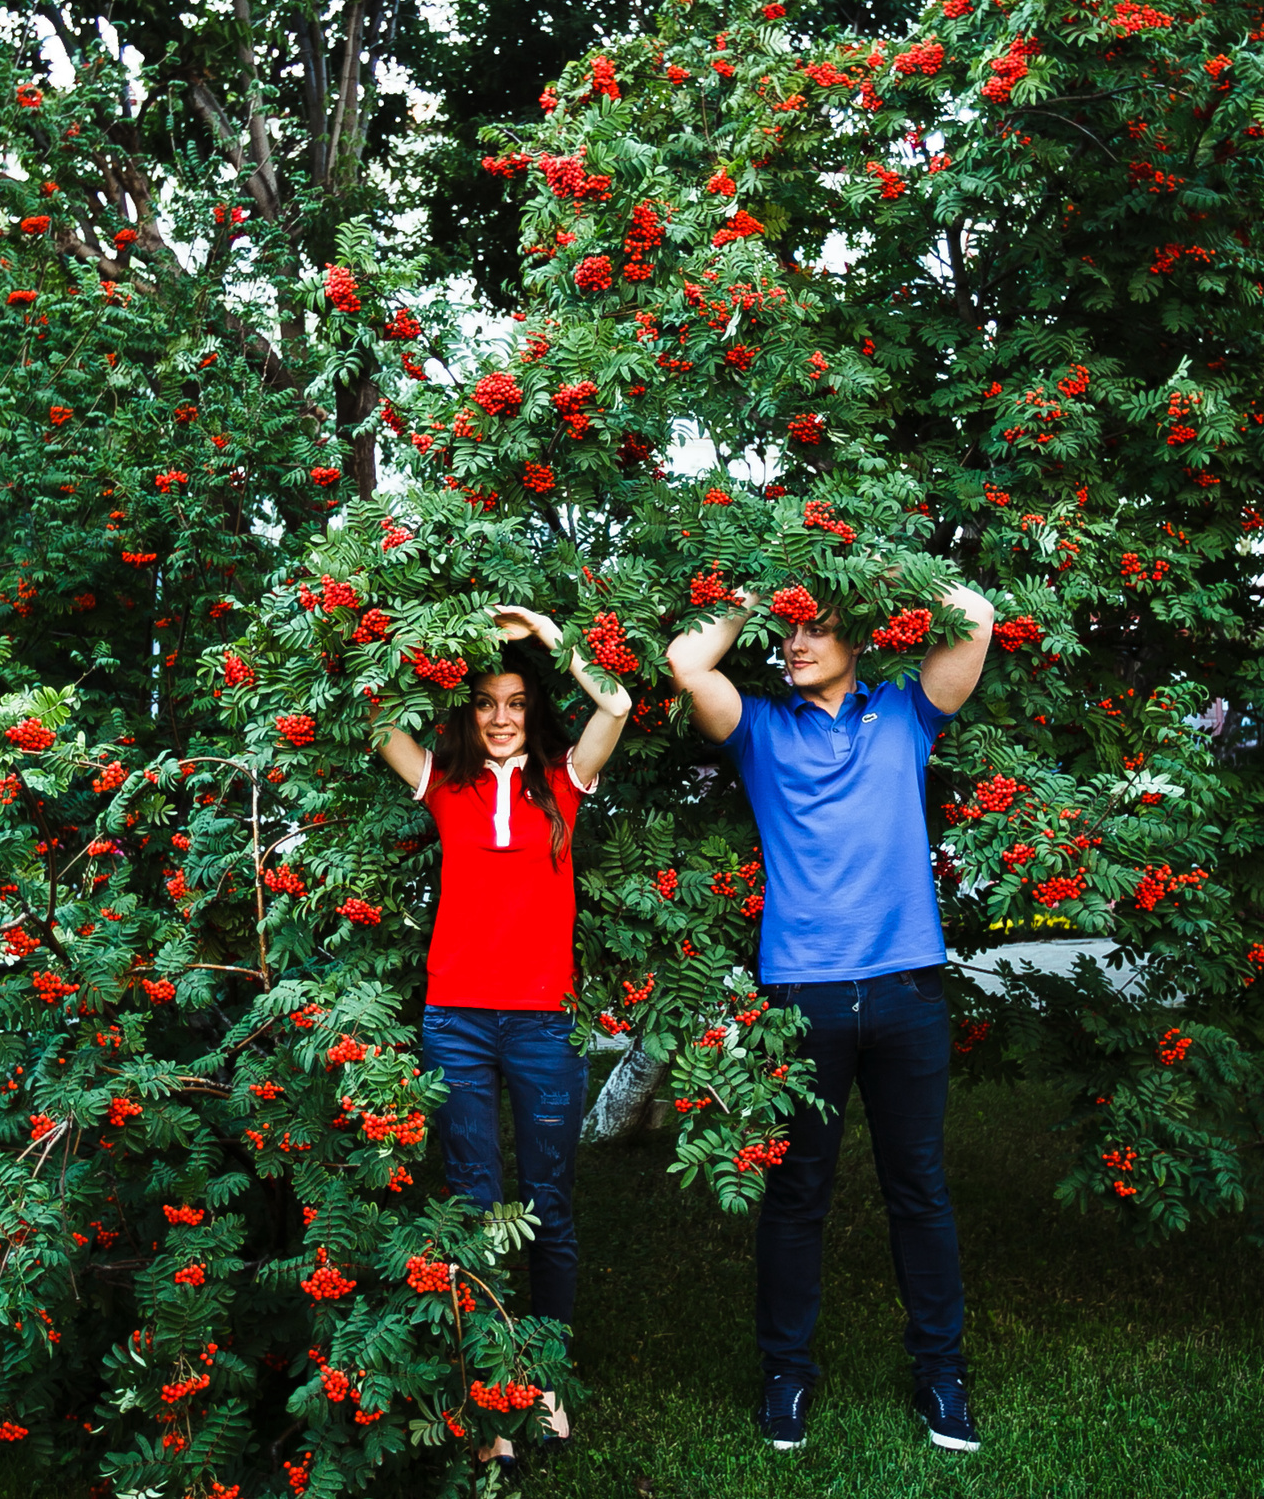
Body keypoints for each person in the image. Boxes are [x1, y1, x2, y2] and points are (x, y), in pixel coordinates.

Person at [665, 580, 997, 1456]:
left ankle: (942, 1376)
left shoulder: (906, 715)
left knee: (918, 1190)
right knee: (796, 1194)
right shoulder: (761, 730)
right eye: (788, 630)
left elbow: (979, 616)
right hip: (803, 994)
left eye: (817, 626)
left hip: (907, 990)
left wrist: (874, 569)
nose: (796, 641)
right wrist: (746, 595)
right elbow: (685, 661)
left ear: (861, 638)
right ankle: (786, 1374)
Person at [373, 604, 632, 1464]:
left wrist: (557, 640)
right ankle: (493, 1394)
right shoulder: (446, 786)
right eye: (484, 701)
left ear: (534, 706)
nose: (500, 716)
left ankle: (547, 1381)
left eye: (516, 700)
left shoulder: (562, 782)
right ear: (465, 710)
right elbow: (376, 712)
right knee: (477, 1210)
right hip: (457, 1021)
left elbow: (620, 705)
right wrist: (437, 635)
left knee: (549, 1206)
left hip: (541, 1024)